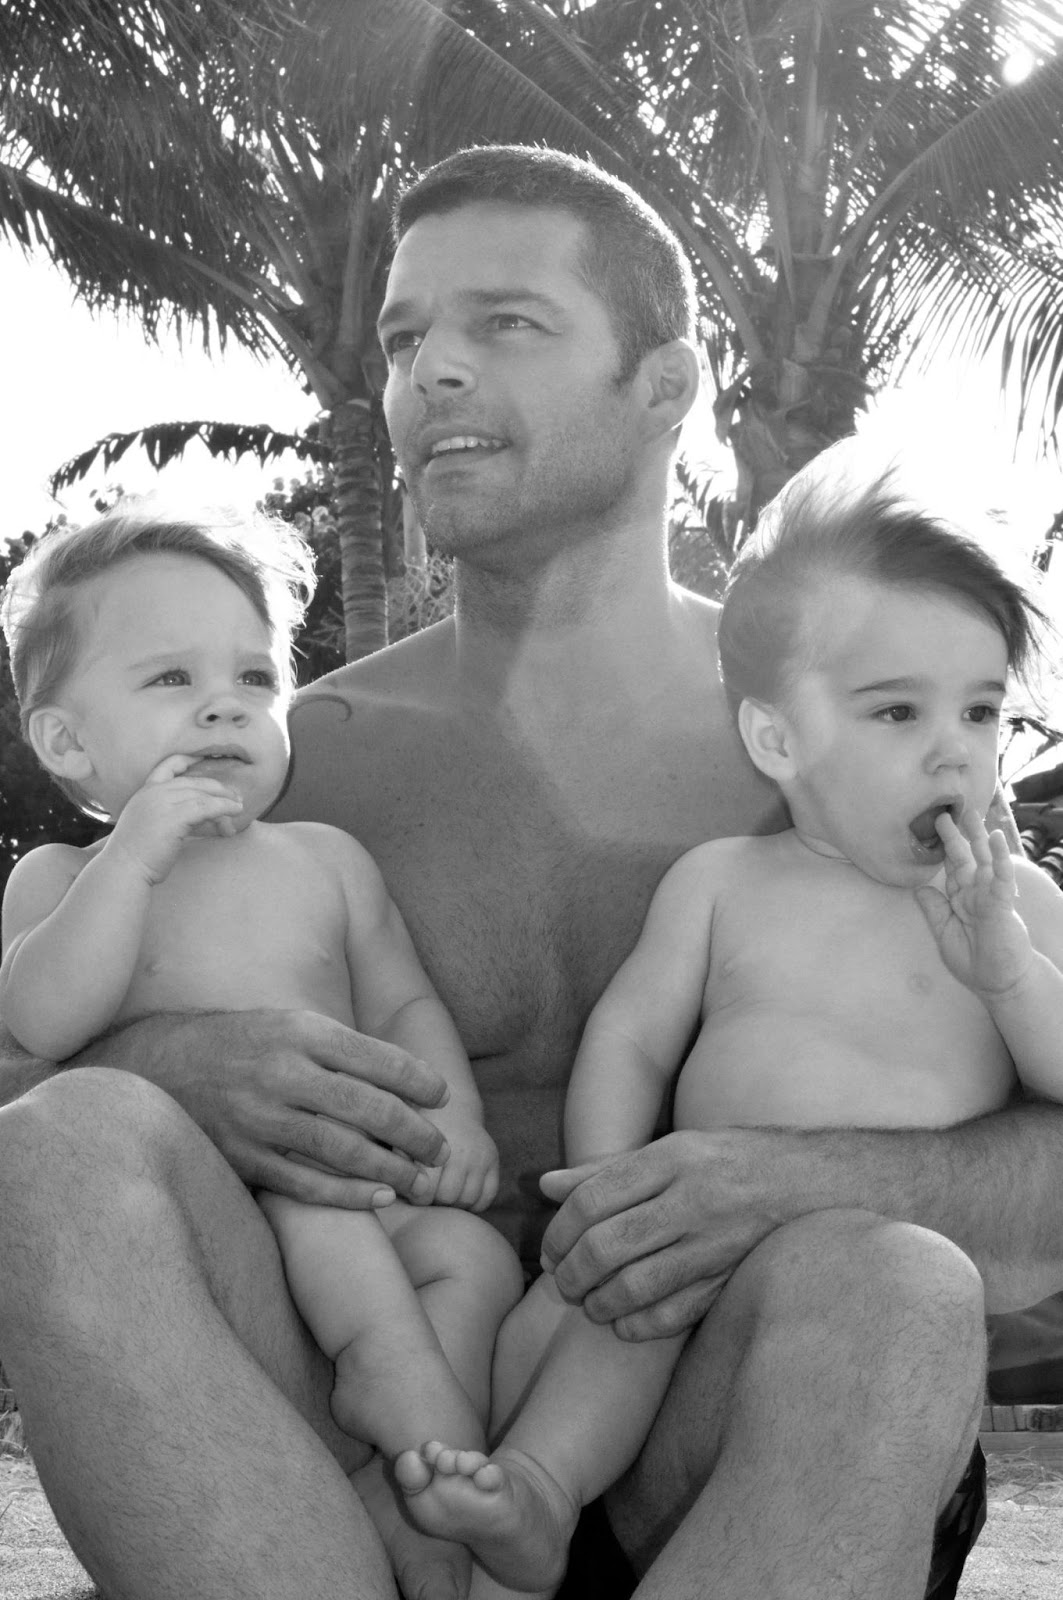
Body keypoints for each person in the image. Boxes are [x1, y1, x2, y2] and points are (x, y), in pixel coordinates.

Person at [0, 142, 1059, 1600]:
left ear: (665, 382)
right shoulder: (301, 760)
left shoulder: (849, 747)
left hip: (726, 1450)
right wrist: (162, 1056)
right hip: (355, 1460)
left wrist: (801, 1181)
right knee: (60, 1142)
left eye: (504, 322)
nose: (427, 370)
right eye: (403, 336)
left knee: (891, 1283)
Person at [383, 463, 1063, 1597]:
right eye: (898, 710)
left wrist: (1007, 976)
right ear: (777, 739)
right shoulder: (727, 881)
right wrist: (604, 1180)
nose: (955, 748)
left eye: (981, 709)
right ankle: (532, 1500)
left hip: (855, 1305)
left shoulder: (1018, 909)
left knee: (863, 1315)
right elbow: (634, 1037)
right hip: (689, 1253)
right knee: (572, 1326)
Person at [0, 512, 522, 1600]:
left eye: (254, 673)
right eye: (171, 678)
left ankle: (425, 1477)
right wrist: (132, 862)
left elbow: (407, 1002)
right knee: (315, 1206)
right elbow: (44, 1024)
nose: (225, 701)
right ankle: (398, 1390)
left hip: (371, 1189)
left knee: (474, 1263)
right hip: (216, 1216)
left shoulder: (325, 861)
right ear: (66, 745)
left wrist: (458, 1119)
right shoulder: (60, 880)